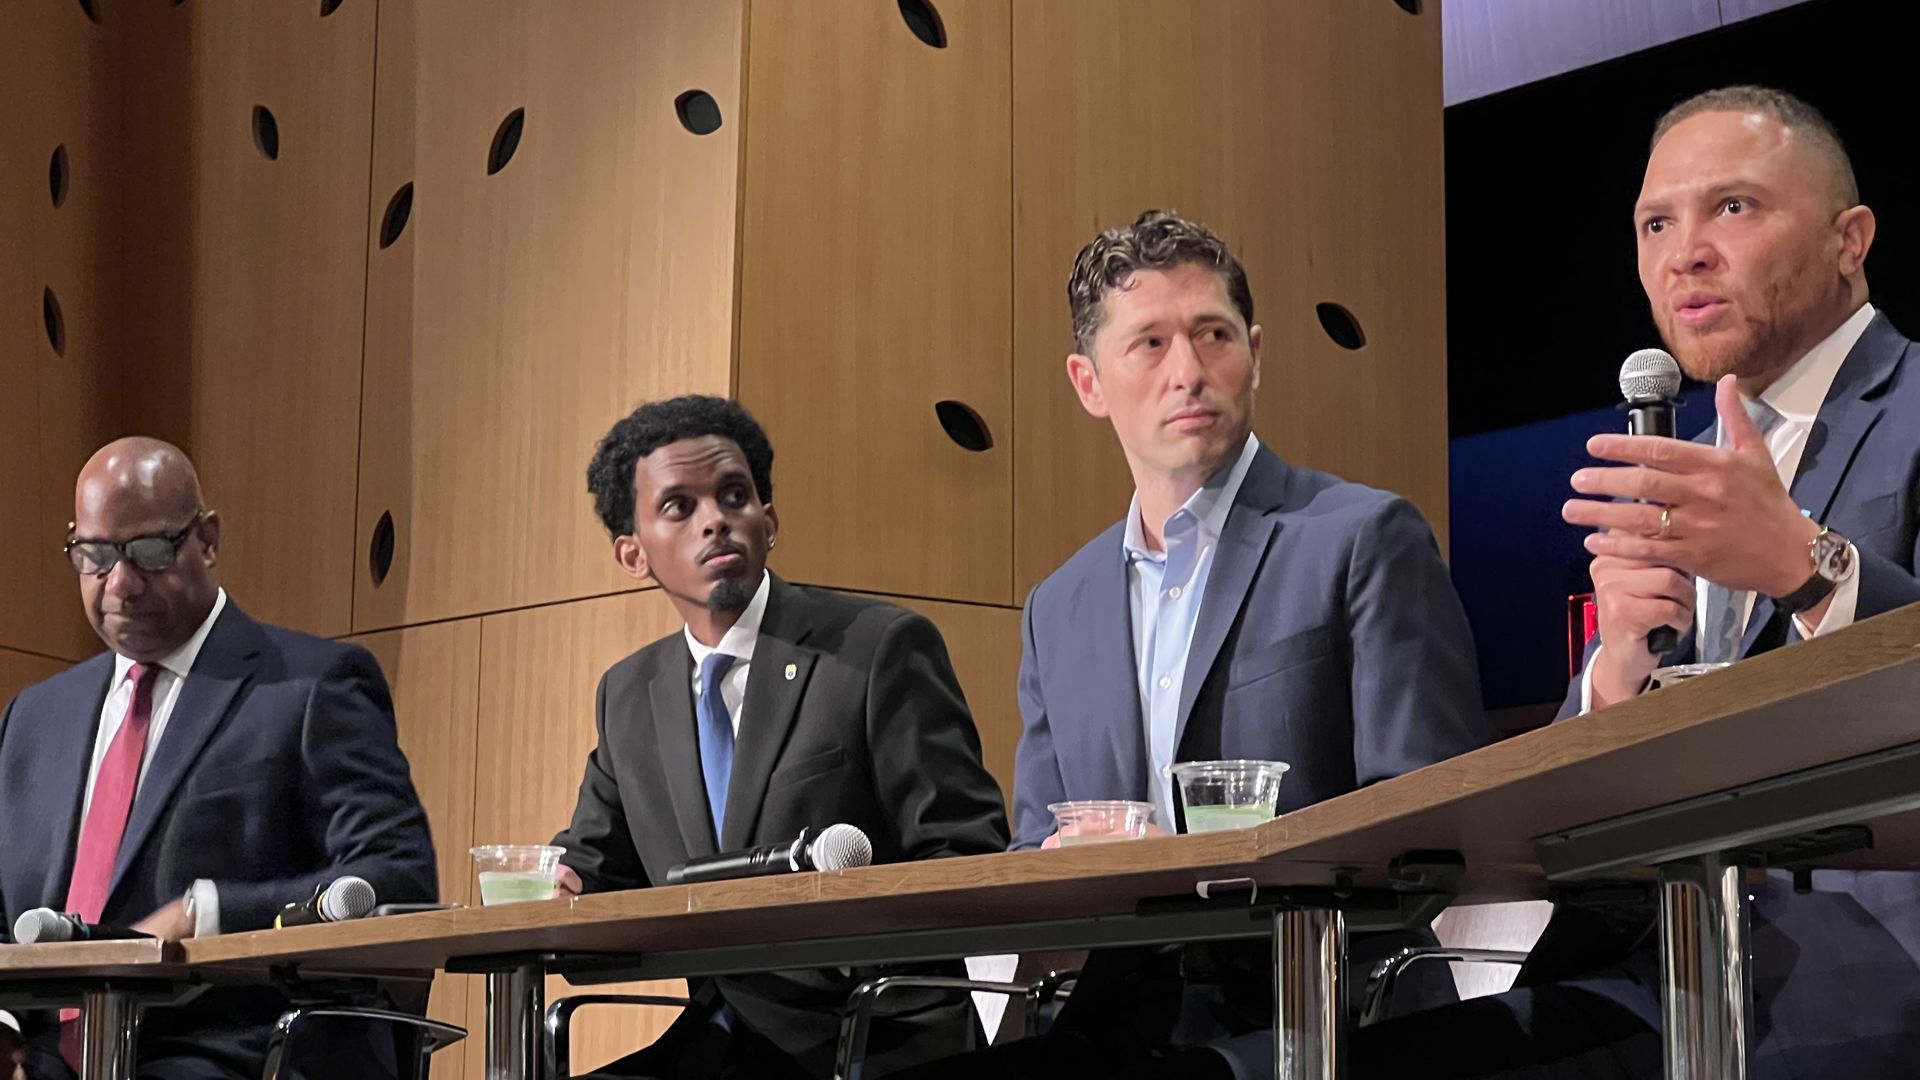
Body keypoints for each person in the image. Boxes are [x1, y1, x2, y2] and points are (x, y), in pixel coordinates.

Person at [1358, 86, 1920, 1078]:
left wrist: (1807, 570)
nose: (1684, 252)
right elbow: (1582, 808)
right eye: (1656, 222)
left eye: (1732, 209)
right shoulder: (1679, 470)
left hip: (1881, 957)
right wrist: (1615, 669)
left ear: (1851, 239)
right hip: (1670, 959)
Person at [899, 211, 1488, 1079]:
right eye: (1149, 345)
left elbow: (1432, 823)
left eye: (1213, 335)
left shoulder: (1360, 537)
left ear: (1255, 352)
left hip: (1320, 1005)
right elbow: (1037, 850)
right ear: (1089, 382)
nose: (1189, 372)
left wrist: (1189, 853)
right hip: (1114, 1011)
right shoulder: (1057, 607)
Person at [551, 395, 1010, 1079]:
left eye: (734, 496)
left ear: (769, 520)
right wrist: (557, 882)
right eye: (680, 507)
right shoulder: (629, 695)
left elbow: (966, 854)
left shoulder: (878, 649)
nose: (716, 521)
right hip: (723, 1034)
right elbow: (596, 868)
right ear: (632, 554)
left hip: (875, 1030)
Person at [0, 438, 438, 1080]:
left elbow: (399, 879)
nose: (119, 583)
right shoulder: (33, 718)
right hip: (45, 1061)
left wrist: (212, 913)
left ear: (206, 539)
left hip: (228, 1049)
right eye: (95, 556)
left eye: (147, 552)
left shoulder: (311, 687)